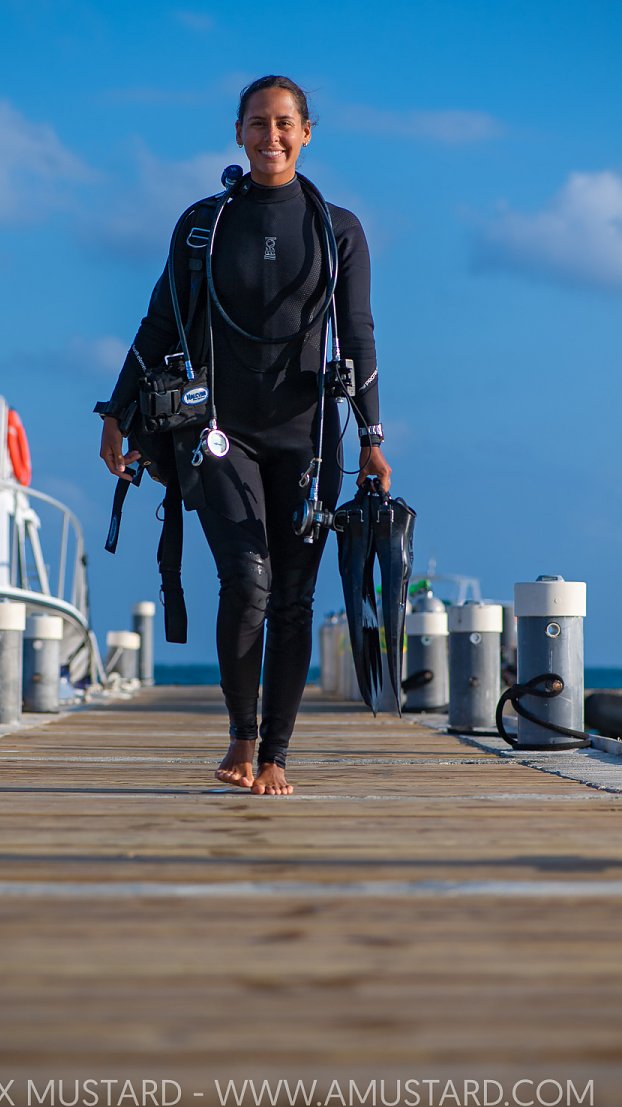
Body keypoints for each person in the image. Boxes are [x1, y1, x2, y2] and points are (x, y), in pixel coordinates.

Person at [98, 75, 391, 796]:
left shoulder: (339, 228)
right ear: (238, 132)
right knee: (247, 579)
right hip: (220, 429)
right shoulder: (204, 225)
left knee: (293, 594)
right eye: (258, 123)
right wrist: (116, 412)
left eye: (286, 123)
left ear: (307, 131)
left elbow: (356, 332)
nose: (272, 136)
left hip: (310, 435)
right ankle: (242, 732)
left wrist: (372, 435)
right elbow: (159, 321)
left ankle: (278, 756)